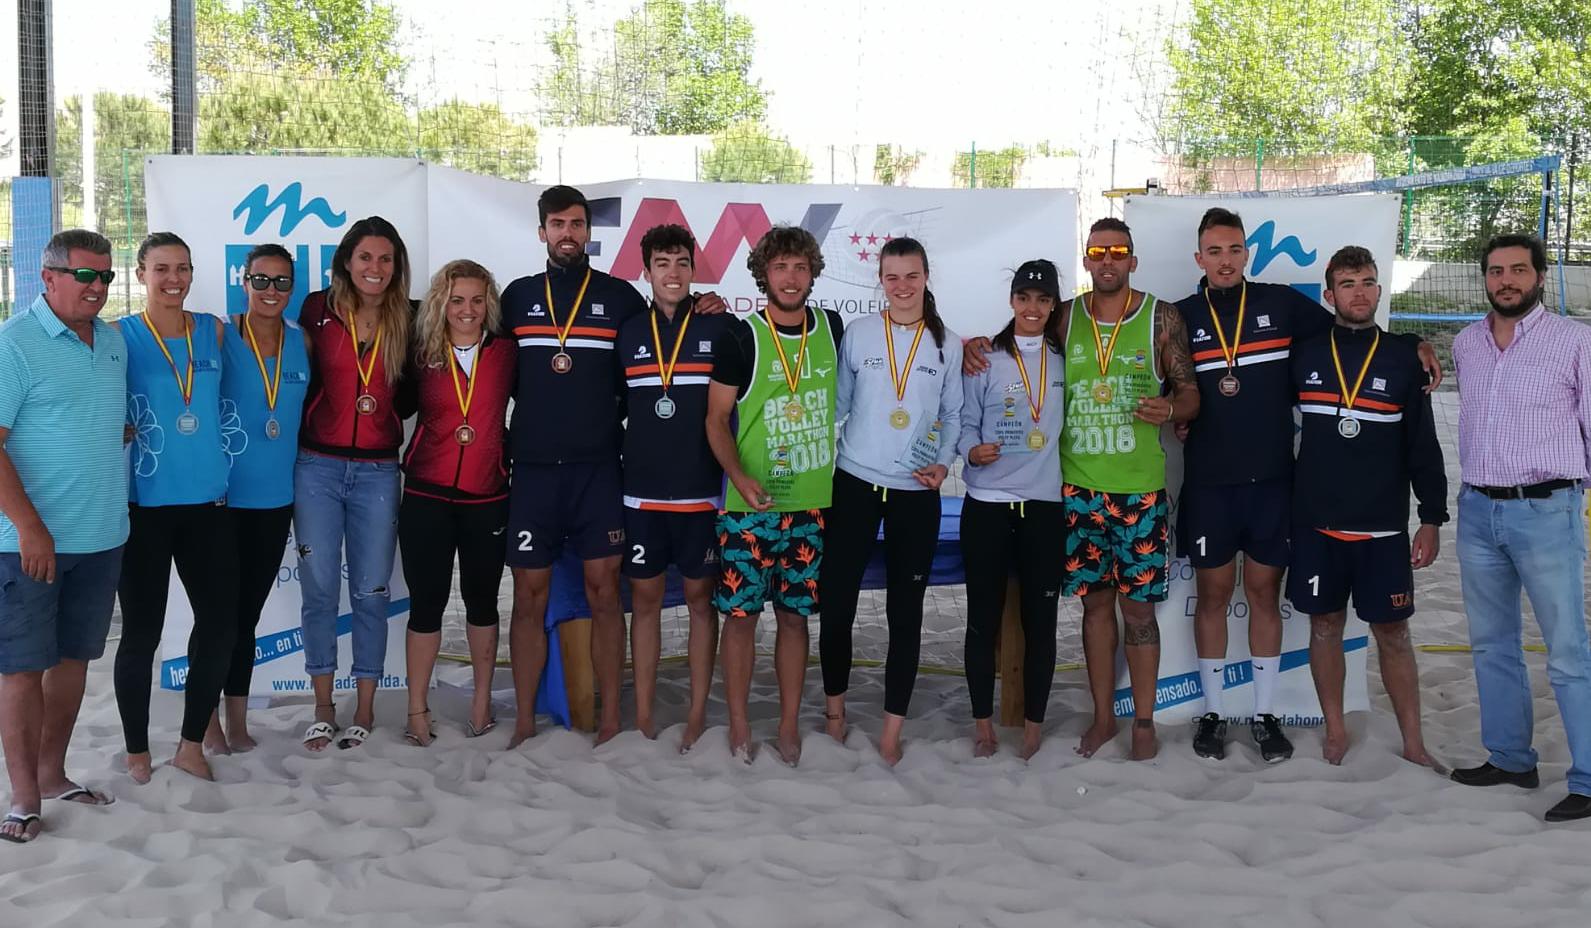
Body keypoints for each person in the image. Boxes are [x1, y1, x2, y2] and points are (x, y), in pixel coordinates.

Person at [1175, 208, 1443, 762]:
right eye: (1215, 251)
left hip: (1275, 484)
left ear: (1246, 253)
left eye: (1234, 249)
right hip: (1209, 484)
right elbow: (1167, 383)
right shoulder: (1179, 316)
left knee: (1264, 596)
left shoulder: (1280, 305)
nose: (1226, 261)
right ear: (1199, 258)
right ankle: (1214, 714)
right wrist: (1177, 412)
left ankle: (1265, 715)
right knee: (1213, 597)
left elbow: (1357, 330)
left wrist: (1414, 341)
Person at [500, 186, 725, 748]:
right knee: (528, 596)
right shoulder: (517, 298)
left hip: (600, 471)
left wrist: (706, 303)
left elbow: (668, 330)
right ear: (542, 232)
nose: (568, 233)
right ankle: (524, 721)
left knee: (606, 593)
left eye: (577, 223)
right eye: (558, 224)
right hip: (533, 470)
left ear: (588, 232)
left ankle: (608, 722)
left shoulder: (621, 298)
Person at [1450, 233, 1591, 823]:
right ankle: (1511, 758)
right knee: (1492, 644)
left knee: (1568, 650)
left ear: (1539, 275)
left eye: (1517, 270)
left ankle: (1588, 778)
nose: (1505, 280)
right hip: (1477, 511)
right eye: (1495, 271)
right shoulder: (1466, 343)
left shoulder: (1575, 341)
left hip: (1547, 511)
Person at [1286, 246, 1445, 768]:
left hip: (1382, 528)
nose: (1360, 292)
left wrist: (1431, 517)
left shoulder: (1403, 356)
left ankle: (1414, 743)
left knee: (1394, 635)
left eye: (1368, 282)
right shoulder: (1305, 353)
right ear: (1329, 295)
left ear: (1379, 290)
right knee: (1324, 628)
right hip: (1317, 523)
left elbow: (1423, 446)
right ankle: (1335, 730)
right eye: (1348, 284)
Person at [0, 230, 128, 844]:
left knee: (74, 661)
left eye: (105, 276)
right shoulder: (14, 343)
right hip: (27, 544)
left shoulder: (112, 342)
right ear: (47, 277)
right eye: (84, 275)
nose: (96, 287)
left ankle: (53, 775)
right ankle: (24, 797)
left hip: (103, 536)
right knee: (23, 669)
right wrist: (29, 527)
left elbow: (100, 421)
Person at [818, 237, 962, 766]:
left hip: (916, 494)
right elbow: (835, 407)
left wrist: (943, 464)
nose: (902, 287)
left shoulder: (948, 344)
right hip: (855, 484)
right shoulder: (858, 334)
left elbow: (953, 414)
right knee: (837, 606)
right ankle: (835, 715)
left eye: (912, 276)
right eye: (892, 277)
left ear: (926, 277)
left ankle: (891, 731)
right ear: (880, 280)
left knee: (906, 613)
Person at [1061, 218, 1199, 761]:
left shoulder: (1161, 317)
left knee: (1138, 614)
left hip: (1139, 493)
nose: (1107, 260)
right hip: (1078, 491)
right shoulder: (1065, 317)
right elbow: (1017, 348)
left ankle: (1143, 722)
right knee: (1095, 610)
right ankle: (1103, 719)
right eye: (1097, 252)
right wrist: (980, 345)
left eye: (1117, 251)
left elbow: (1191, 394)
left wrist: (1172, 408)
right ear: (1086, 260)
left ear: (1132, 261)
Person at [706, 225, 843, 765]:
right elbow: (715, 419)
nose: (791, 277)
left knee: (794, 617)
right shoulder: (740, 337)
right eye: (781, 267)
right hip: (750, 506)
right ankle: (740, 724)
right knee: (741, 618)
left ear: (813, 273)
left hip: (809, 505)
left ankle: (788, 725)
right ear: (763, 273)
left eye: (800, 267)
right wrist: (738, 476)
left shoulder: (832, 327)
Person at [113, 232, 238, 783]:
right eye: (161, 268)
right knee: (143, 633)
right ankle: (137, 752)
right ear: (141, 273)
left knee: (219, 625)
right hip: (145, 507)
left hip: (208, 504)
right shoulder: (118, 336)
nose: (173, 279)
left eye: (182, 268)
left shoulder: (213, 330)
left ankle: (191, 745)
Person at [295, 216, 414, 752]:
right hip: (316, 466)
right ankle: (323, 708)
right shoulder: (316, 309)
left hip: (377, 471)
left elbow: (410, 395)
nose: (375, 268)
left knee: (371, 591)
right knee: (320, 590)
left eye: (386, 259)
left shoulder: (408, 317)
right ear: (346, 260)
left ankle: (364, 707)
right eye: (366, 257)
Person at [616, 224, 730, 749]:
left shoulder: (719, 326)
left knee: (701, 601)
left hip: (700, 492)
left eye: (682, 262)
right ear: (646, 271)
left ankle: (697, 712)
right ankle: (643, 714)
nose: (673, 273)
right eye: (662, 263)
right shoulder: (627, 332)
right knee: (644, 601)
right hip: (641, 493)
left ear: (693, 269)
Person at [395, 260, 515, 745]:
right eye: (456, 300)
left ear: (490, 303)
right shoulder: (420, 350)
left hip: (488, 495)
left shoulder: (507, 351)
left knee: (482, 602)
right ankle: (416, 709)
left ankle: (481, 701)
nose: (467, 310)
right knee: (426, 604)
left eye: (477, 300)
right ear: (440, 303)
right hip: (426, 493)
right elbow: (395, 403)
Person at [958, 259, 1068, 760]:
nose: (1033, 308)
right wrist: (970, 450)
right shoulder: (985, 357)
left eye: (1043, 300)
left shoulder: (1065, 358)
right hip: (987, 505)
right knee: (982, 619)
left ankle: (1032, 729)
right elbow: (964, 421)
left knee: (1040, 622)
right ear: (1012, 301)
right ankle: (983, 727)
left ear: (1054, 305)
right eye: (1024, 298)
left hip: (1043, 506)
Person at [205, 244, 311, 754]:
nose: (271, 291)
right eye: (261, 280)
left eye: (282, 282)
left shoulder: (302, 341)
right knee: (217, 617)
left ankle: (238, 723)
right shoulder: (219, 334)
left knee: (246, 617)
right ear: (243, 282)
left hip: (275, 502)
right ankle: (204, 723)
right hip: (222, 500)